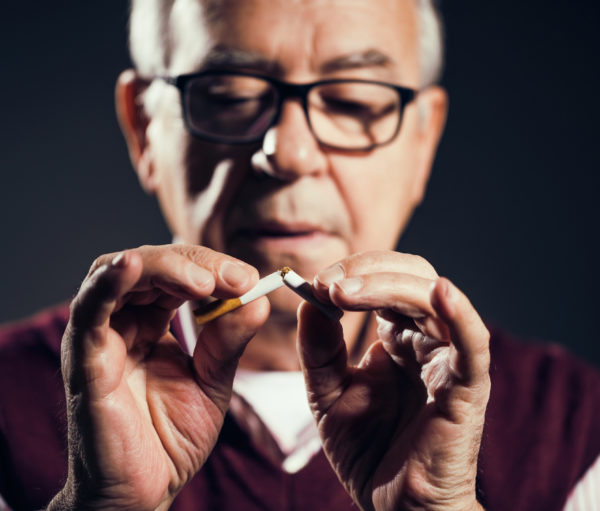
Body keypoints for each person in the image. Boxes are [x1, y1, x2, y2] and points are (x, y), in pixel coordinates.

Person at [0, 1, 598, 510]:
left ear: (424, 141)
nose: (287, 153)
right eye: (228, 96)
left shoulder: (576, 433)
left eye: (354, 100)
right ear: (143, 129)